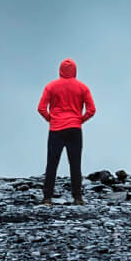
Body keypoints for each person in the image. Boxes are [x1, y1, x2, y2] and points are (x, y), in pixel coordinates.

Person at [36, 57, 95, 204]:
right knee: (75, 164)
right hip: (75, 129)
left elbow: (41, 108)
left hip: (56, 129)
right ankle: (78, 197)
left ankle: (47, 198)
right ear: (75, 70)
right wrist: (80, 120)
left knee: (52, 164)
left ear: (60, 70)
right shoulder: (82, 87)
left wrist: (51, 119)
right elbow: (92, 110)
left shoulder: (51, 86)